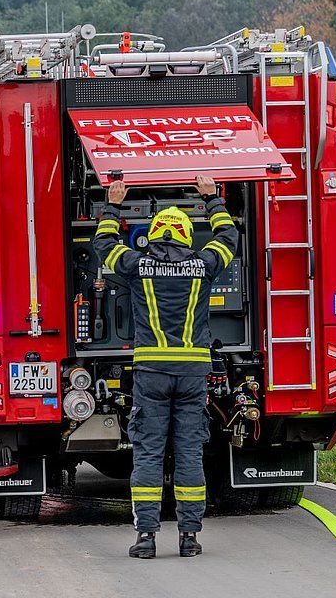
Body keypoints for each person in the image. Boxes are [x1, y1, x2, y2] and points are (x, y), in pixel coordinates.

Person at [93, 175, 240, 559]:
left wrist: (113, 204)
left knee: (148, 454)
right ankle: (189, 537)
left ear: (155, 236)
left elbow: (104, 245)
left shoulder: (138, 266)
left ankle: (146, 538)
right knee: (189, 453)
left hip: (151, 373)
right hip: (192, 374)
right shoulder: (202, 265)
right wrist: (212, 199)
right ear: (187, 236)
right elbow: (228, 239)